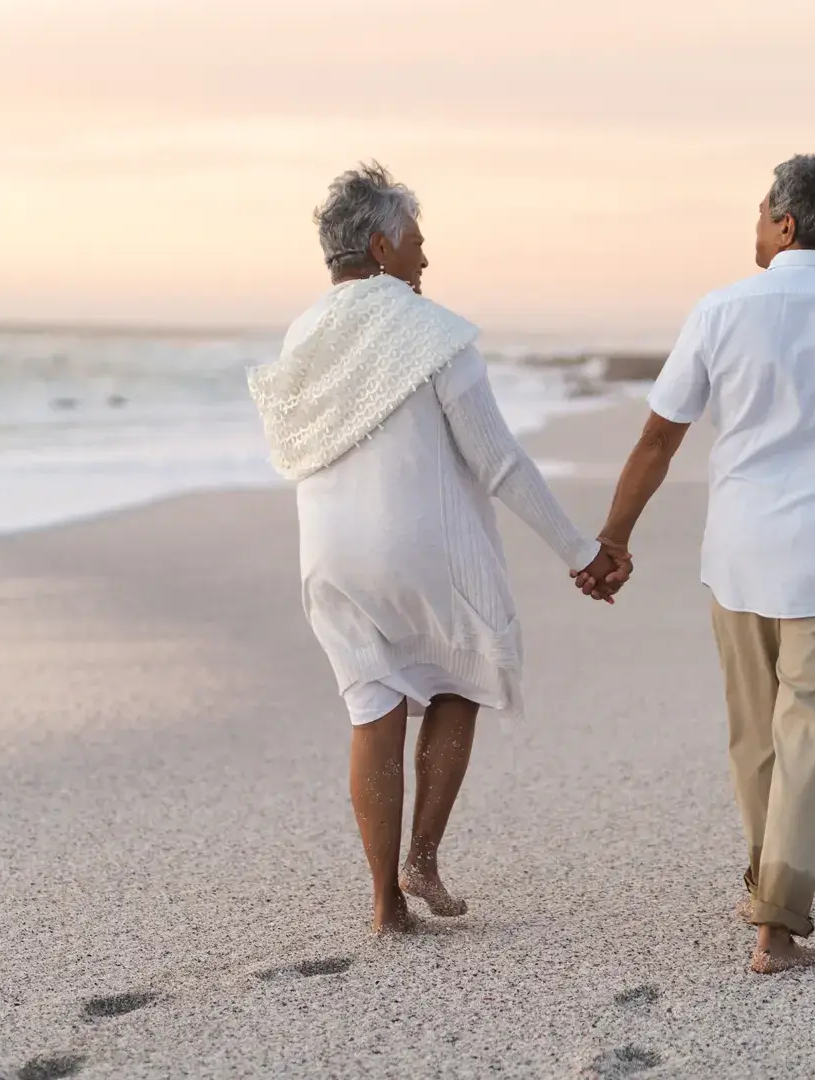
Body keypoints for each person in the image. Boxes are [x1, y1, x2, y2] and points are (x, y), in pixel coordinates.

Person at [249, 163, 629, 934]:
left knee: (373, 704)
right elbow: (498, 461)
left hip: (327, 551)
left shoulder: (304, 331)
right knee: (465, 669)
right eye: (418, 244)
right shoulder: (430, 331)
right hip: (413, 544)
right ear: (383, 246)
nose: (426, 260)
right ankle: (422, 855)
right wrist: (579, 549)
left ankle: (386, 904)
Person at [581, 154, 815, 973]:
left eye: (758, 212)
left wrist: (614, 537)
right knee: (808, 729)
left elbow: (659, 437)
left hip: (741, 553)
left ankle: (766, 882)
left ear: (785, 223)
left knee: (755, 733)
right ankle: (776, 916)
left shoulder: (721, 310)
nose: (753, 225)